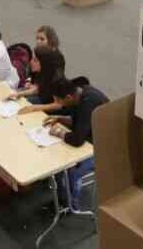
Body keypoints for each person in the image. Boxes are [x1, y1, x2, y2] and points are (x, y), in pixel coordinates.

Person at [42, 76, 108, 211]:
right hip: (92, 136)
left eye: (58, 100)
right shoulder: (80, 93)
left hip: (105, 147)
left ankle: (70, 205)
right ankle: (62, 197)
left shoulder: (89, 103)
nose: (58, 104)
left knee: (72, 169)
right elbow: (80, 122)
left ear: (68, 97)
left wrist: (59, 133)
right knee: (60, 159)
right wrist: (60, 119)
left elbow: (78, 140)